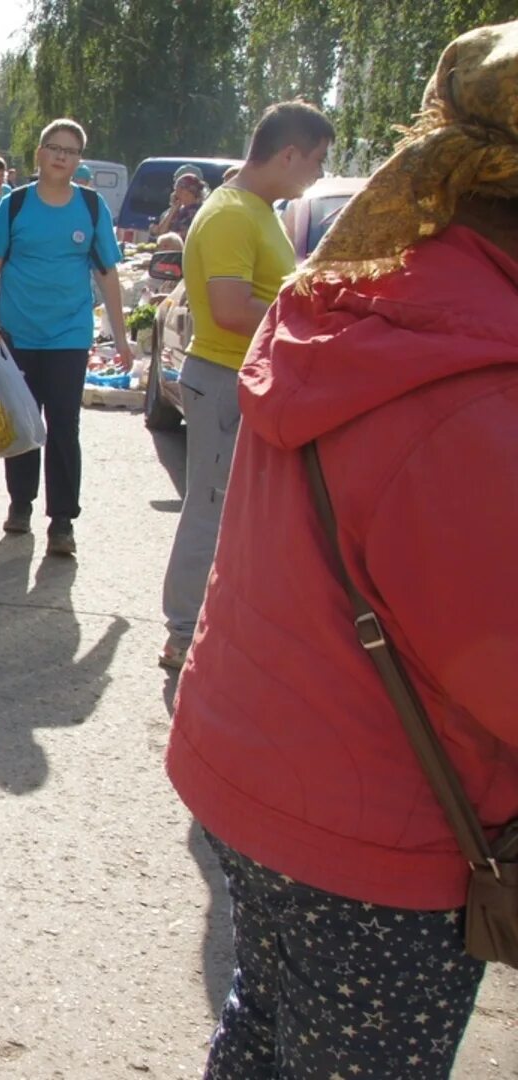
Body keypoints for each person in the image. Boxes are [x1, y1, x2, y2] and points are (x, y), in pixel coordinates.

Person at [166, 24, 518, 1077]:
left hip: (258, 768)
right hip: (372, 829)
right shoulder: (469, 385)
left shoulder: (361, 301)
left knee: (265, 1028)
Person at [156, 101, 333, 672]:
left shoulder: (255, 207)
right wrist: (305, 320)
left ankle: (212, 625)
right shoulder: (234, 211)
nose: (319, 175)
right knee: (210, 509)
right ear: (288, 153)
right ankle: (182, 632)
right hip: (225, 378)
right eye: (317, 161)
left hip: (240, 379)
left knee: (230, 510)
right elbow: (231, 310)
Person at [0, 118, 133, 556]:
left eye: (72, 150)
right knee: (23, 419)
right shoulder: (15, 205)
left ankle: (62, 520)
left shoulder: (92, 206)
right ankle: (20, 504)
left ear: (78, 160)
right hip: (17, 332)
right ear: (40, 154)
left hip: (69, 334)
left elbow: (107, 274)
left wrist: (120, 337)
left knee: (64, 425)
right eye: (55, 147)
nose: (63, 156)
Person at [151, 169, 208, 250]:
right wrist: (173, 209)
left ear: (188, 192)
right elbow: (161, 232)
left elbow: (171, 238)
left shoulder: (195, 212)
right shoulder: (179, 209)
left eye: (178, 190)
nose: (175, 194)